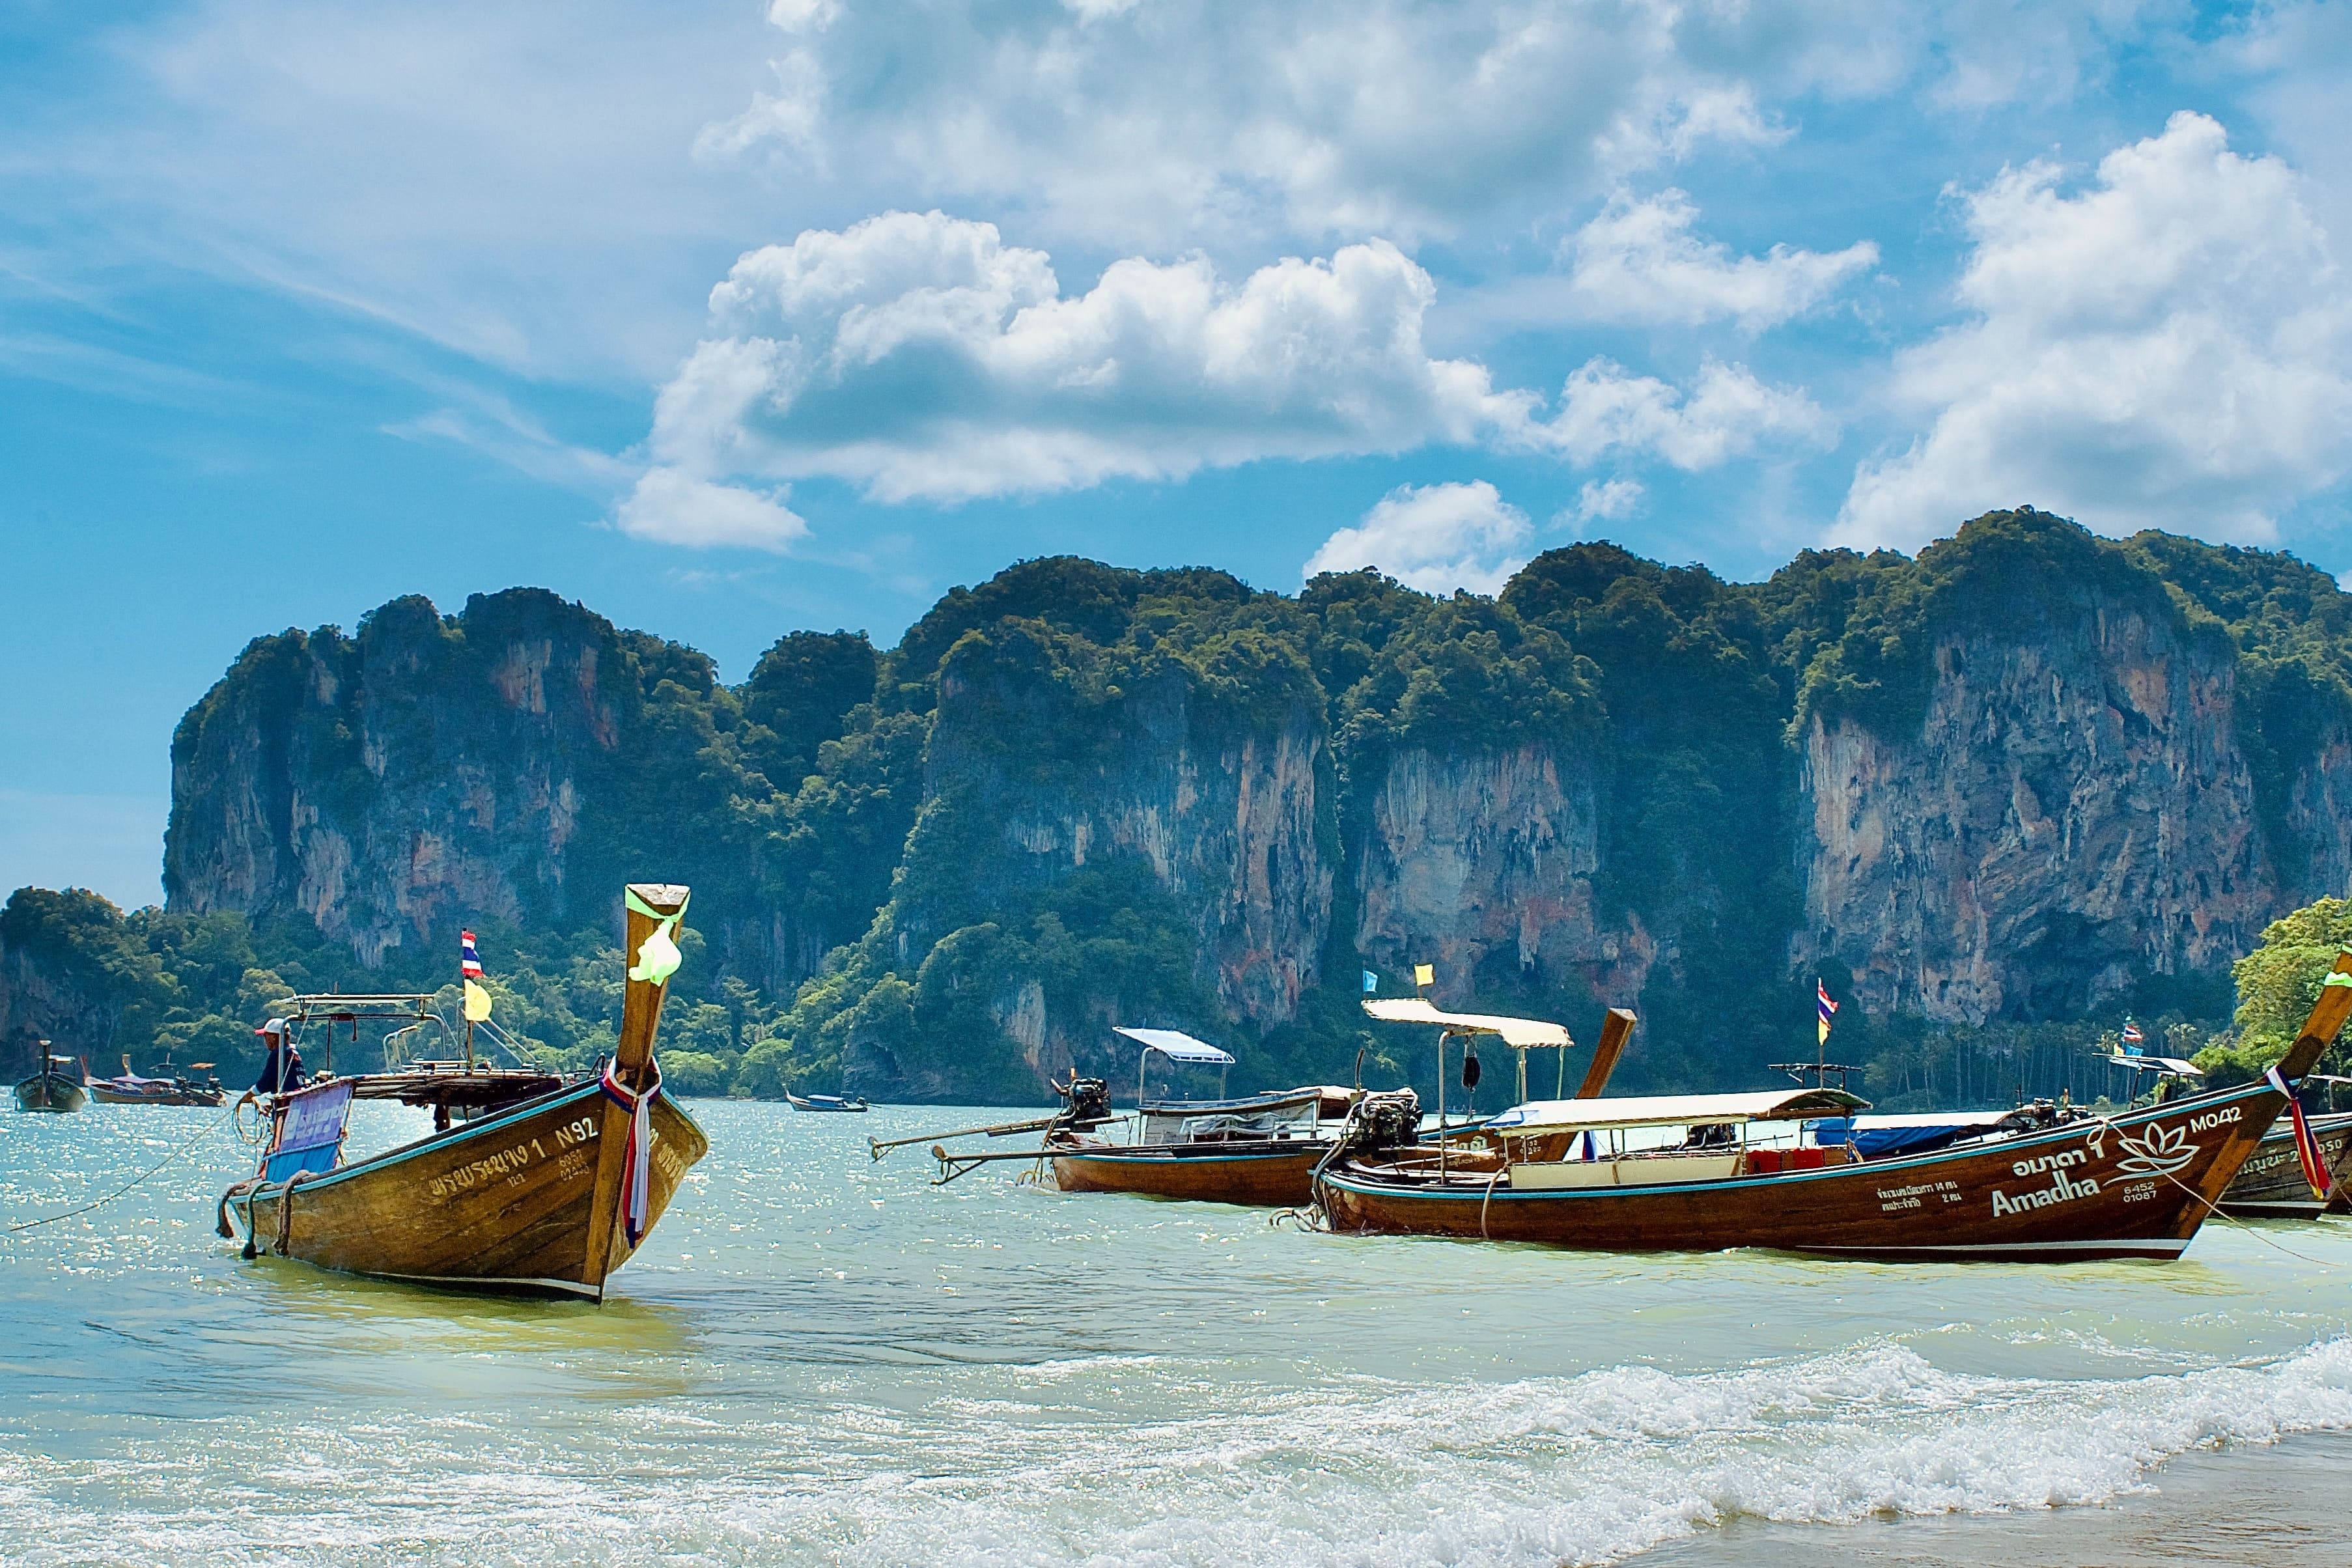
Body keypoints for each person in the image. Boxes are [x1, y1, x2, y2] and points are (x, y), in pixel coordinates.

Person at [242, 1017, 306, 1102]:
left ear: (274, 1038)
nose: (265, 1041)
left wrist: (248, 1096)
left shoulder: (279, 1054)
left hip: (289, 1102)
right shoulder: (293, 1052)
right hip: (299, 1100)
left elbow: (266, 1082)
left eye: (266, 1036)